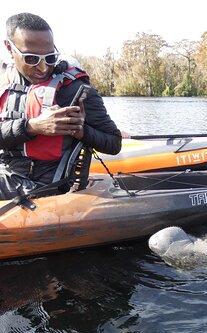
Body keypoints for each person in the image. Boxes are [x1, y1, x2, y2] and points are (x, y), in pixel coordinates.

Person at [0, 13, 121, 200]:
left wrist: (80, 131)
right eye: (31, 59)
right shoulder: (4, 82)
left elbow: (114, 142)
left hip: (44, 186)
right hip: (6, 174)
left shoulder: (76, 89)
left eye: (50, 58)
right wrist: (32, 126)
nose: (42, 68)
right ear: (9, 48)